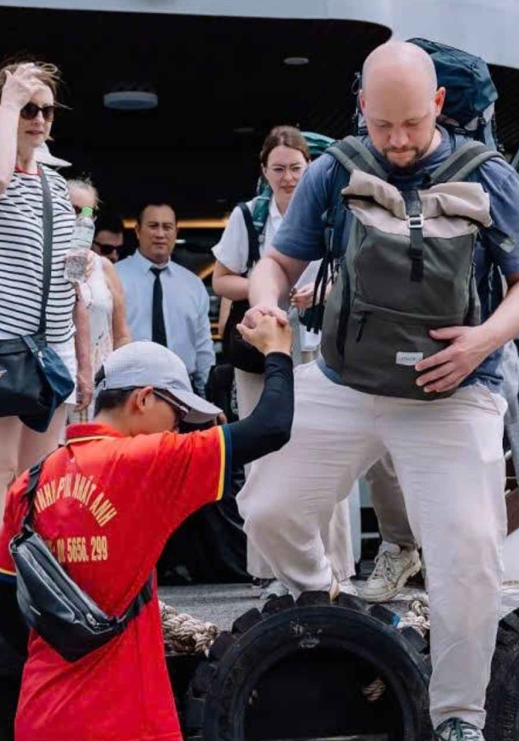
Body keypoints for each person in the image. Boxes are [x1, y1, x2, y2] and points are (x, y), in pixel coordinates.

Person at [237, 41, 519, 741]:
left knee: (469, 553)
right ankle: (325, 599)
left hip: (455, 388)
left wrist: (482, 343)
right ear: (362, 114)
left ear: (439, 105)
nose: (398, 141)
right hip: (345, 381)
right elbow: (279, 261)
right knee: (268, 506)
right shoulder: (333, 169)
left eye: (411, 123)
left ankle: (460, 719)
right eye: (382, 126)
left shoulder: (489, 175)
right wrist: (262, 301)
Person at [0, 318, 298, 741]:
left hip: (39, 736)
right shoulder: (149, 463)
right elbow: (272, 427)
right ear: (144, 400)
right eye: (177, 416)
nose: (179, 432)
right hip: (119, 738)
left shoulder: (29, 482)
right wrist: (277, 353)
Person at [0, 60, 86, 589]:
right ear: (2, 109)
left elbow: (65, 263)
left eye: (46, 109)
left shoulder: (54, 184)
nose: (38, 119)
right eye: (28, 108)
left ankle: (27, 588)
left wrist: (82, 264)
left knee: (40, 479)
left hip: (48, 347)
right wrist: (8, 102)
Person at [211, 126, 357, 592]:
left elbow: (354, 273)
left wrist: (322, 291)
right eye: (279, 169)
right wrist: (268, 291)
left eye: (296, 168)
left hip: (319, 339)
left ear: (309, 167)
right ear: (264, 172)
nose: (289, 178)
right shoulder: (249, 216)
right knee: (260, 450)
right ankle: (268, 569)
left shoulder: (331, 210)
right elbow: (222, 281)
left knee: (326, 448)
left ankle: (337, 565)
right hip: (264, 341)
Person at [116, 203, 214, 394]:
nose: (160, 234)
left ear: (176, 232)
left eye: (167, 227)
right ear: (137, 230)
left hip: (182, 391)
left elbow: (203, 348)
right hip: (127, 390)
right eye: (153, 226)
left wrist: (207, 399)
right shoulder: (115, 277)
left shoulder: (193, 285)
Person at [64, 178, 130, 420]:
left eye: (87, 212)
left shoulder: (104, 267)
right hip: (54, 376)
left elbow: (121, 334)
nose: (79, 217)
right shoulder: (37, 259)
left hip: (101, 384)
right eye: (72, 208)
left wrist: (124, 387)